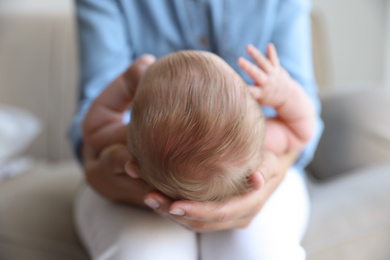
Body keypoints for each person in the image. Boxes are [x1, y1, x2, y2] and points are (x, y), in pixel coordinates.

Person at [69, 1, 323, 259]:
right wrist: (284, 94)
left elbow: (94, 130)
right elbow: (304, 129)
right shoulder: (264, 142)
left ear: (133, 165)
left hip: (152, 193)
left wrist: (125, 84)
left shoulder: (129, 140)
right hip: (133, 194)